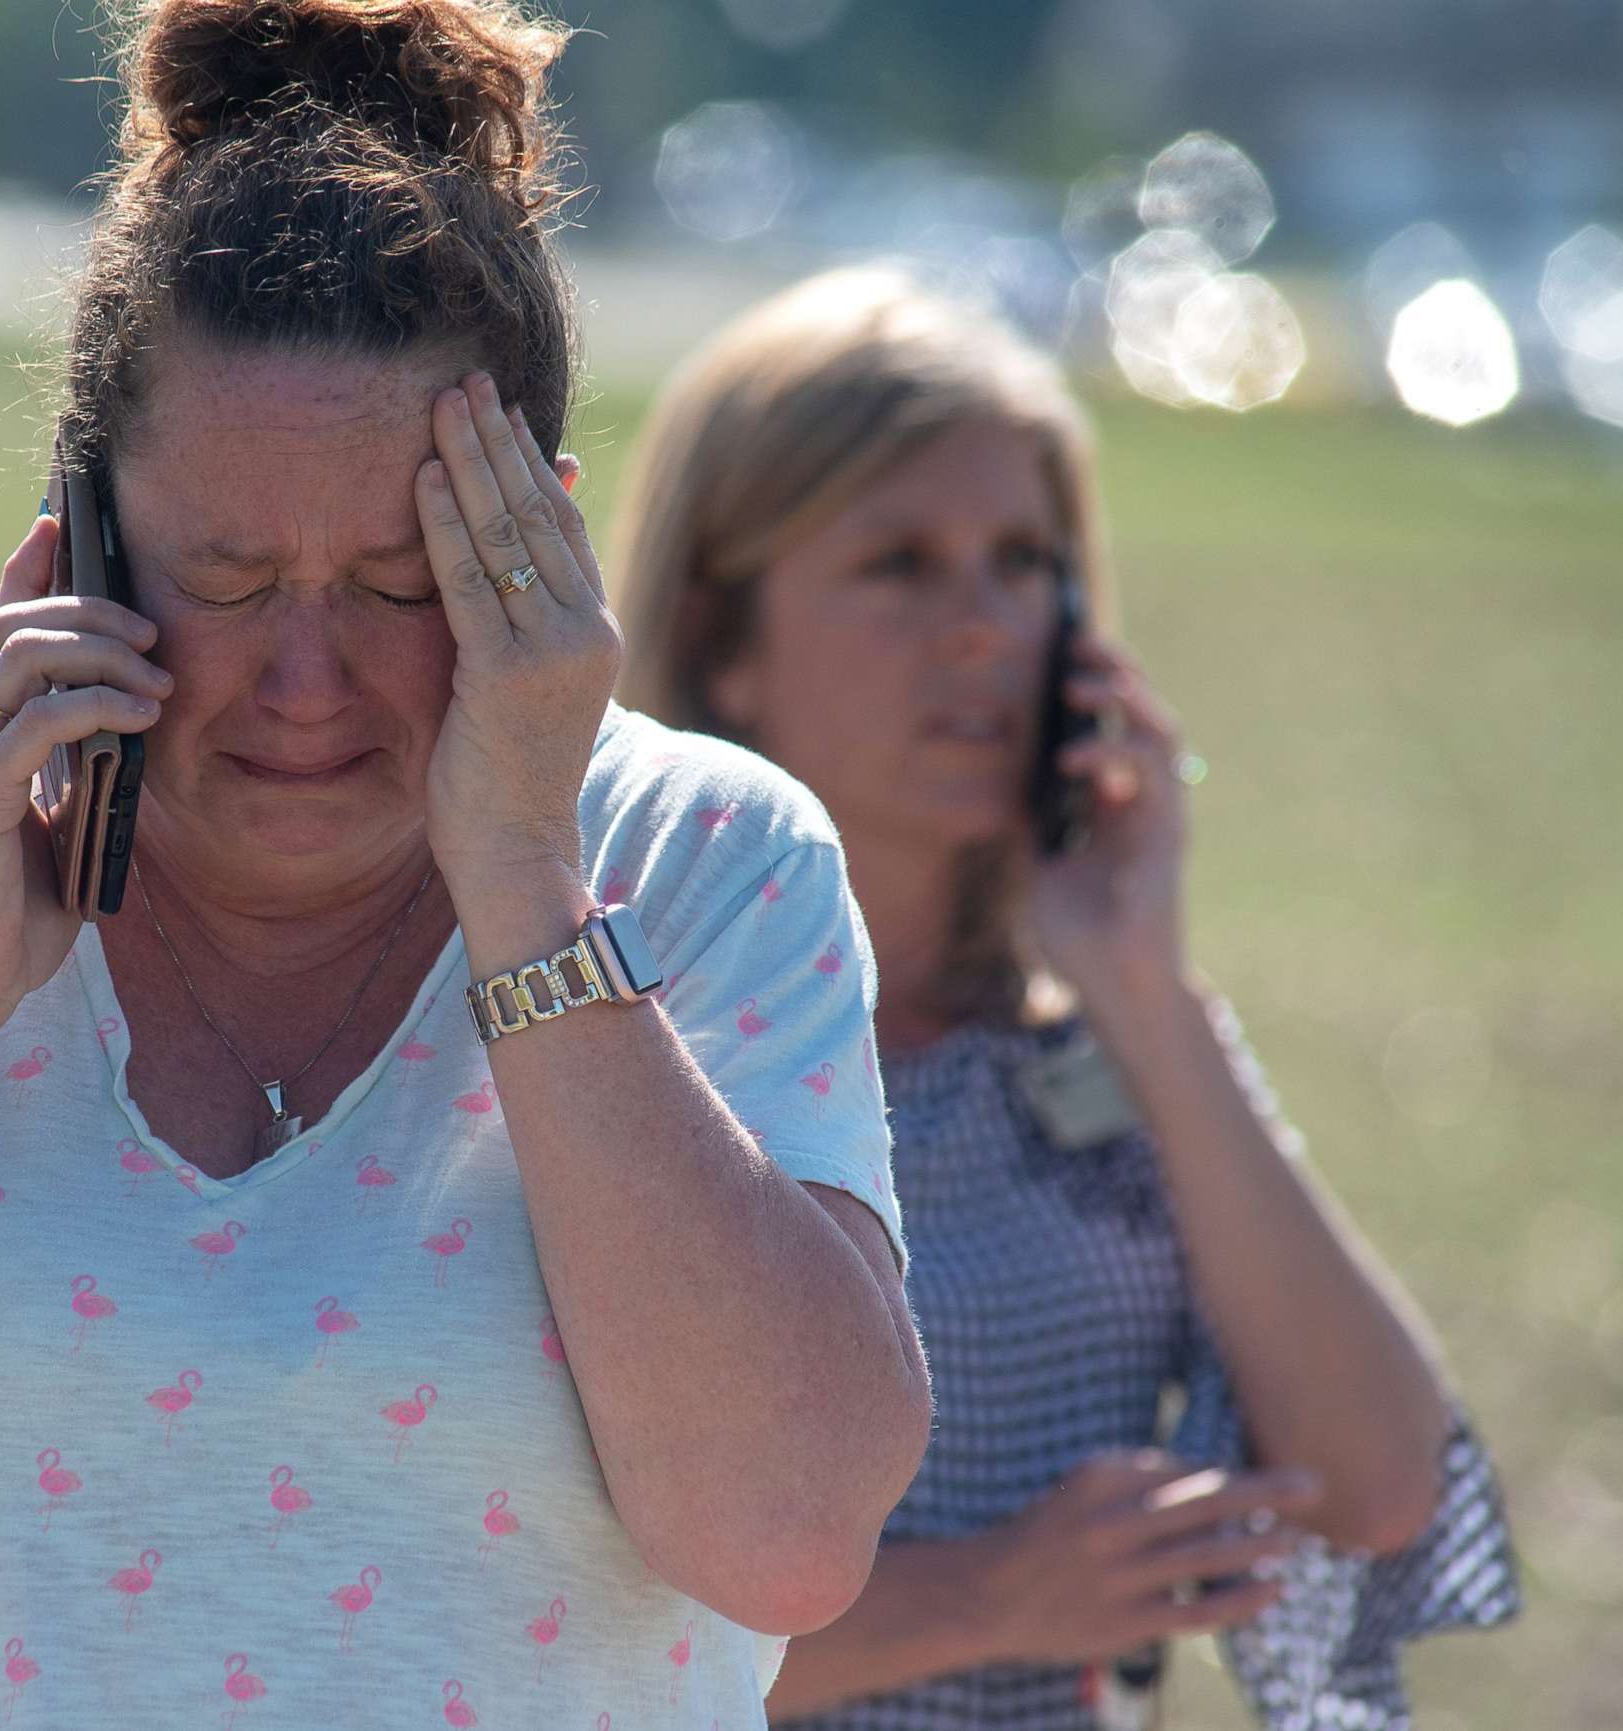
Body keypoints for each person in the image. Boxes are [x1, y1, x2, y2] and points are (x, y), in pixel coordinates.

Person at [0, 2, 934, 1726]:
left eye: (398, 585)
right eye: (222, 580)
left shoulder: (706, 859)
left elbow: (787, 1533)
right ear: (80, 542)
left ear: (543, 558)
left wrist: (524, 879)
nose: (307, 684)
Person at [609, 265, 1521, 1731]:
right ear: (726, 636)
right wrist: (991, 1596)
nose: (982, 627)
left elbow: (1377, 1489)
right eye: (899, 563)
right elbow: (524, 1606)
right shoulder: (608, 1040)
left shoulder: (1098, 1051)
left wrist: (1146, 985)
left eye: (1024, 560)